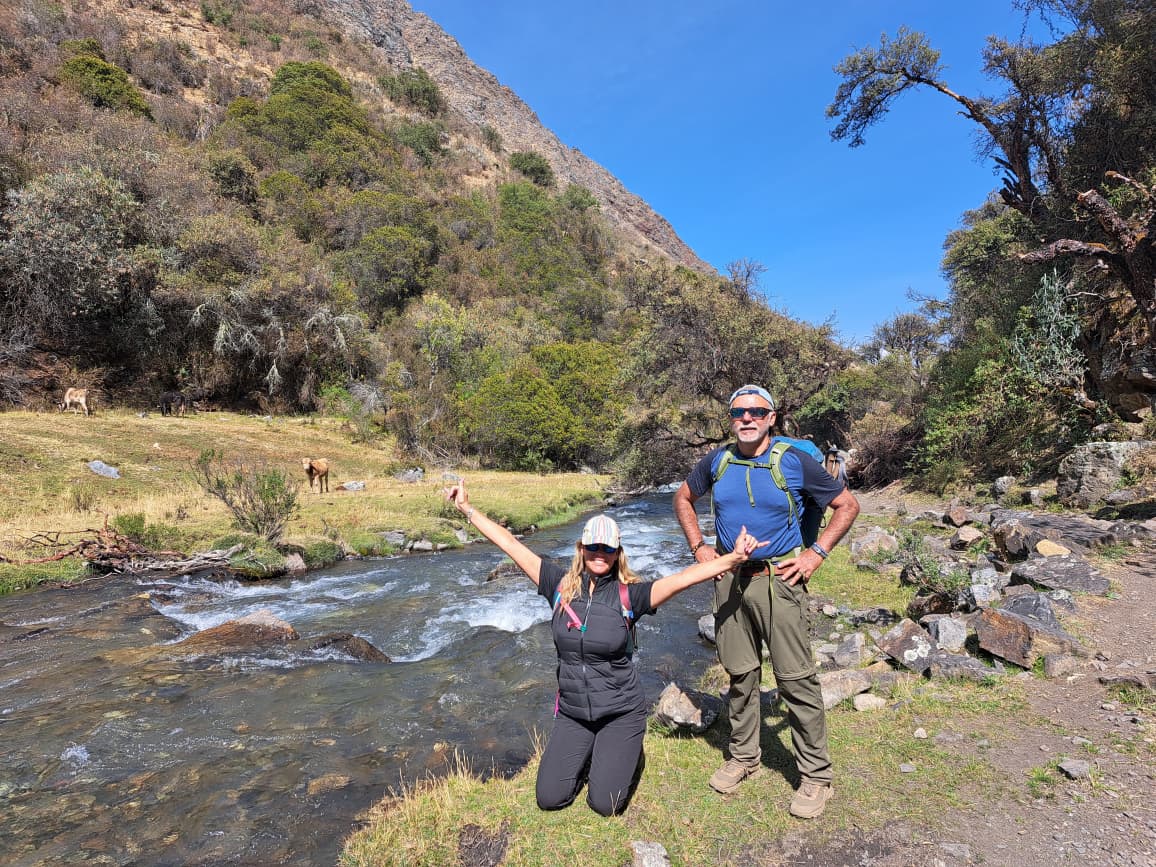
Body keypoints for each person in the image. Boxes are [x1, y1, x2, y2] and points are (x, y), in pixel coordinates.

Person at [445, 479, 766, 817]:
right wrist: (468, 509)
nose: (600, 554)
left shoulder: (632, 595)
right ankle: (592, 748)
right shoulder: (558, 586)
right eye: (594, 547)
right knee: (549, 798)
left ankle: (624, 747)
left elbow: (685, 577)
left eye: (608, 549)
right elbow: (510, 544)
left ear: (617, 553)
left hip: (619, 713)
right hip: (573, 713)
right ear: (582, 548)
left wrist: (733, 559)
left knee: (605, 804)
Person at [673, 384, 860, 819]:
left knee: (795, 679)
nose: (747, 418)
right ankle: (744, 757)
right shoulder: (717, 460)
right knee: (740, 673)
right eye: (739, 411)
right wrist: (700, 547)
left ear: (772, 417)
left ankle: (816, 776)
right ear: (731, 417)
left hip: (779, 580)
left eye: (757, 411)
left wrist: (816, 554)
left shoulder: (794, 461)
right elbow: (683, 497)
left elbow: (846, 505)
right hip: (730, 578)